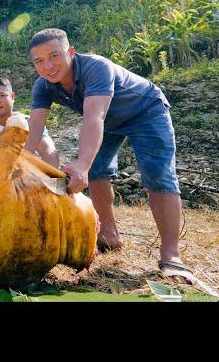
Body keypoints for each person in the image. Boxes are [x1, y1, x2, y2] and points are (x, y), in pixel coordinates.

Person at [23, 28, 191, 282]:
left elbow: (94, 118)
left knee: (158, 175)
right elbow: (34, 132)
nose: (48, 66)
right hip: (109, 122)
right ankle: (109, 235)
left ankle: (171, 255)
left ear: (70, 53)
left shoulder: (96, 68)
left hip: (146, 111)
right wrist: (18, 165)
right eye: (39, 61)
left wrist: (81, 163)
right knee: (98, 170)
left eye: (54, 56)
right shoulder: (42, 87)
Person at [0, 77, 59, 167]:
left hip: (24, 173)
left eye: (2, 95)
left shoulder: (31, 122)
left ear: (12, 97)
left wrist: (50, 178)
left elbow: (49, 152)